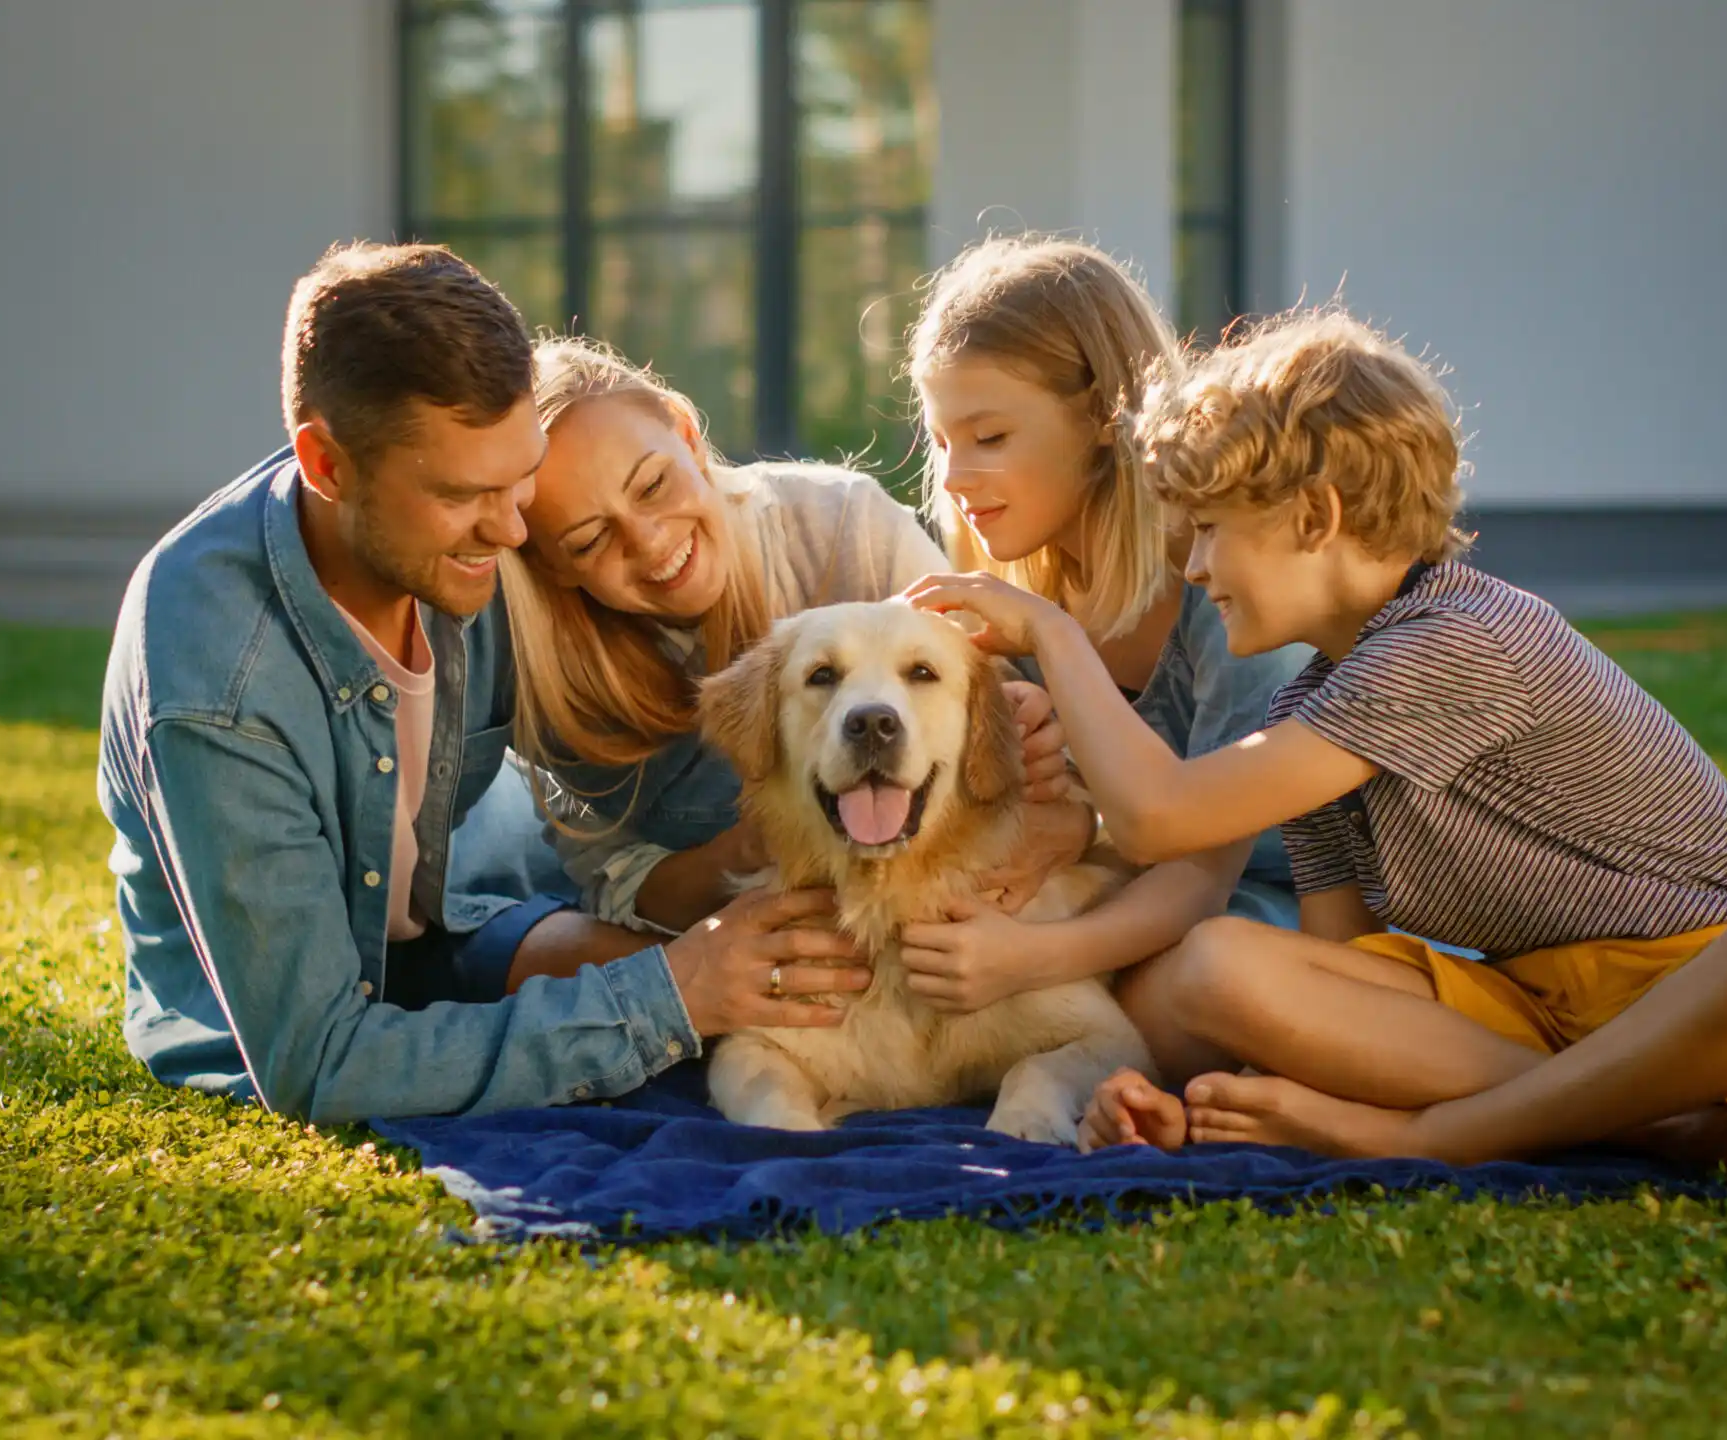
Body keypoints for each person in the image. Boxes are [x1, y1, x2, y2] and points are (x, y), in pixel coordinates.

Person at [906, 309, 1727, 1194]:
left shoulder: (1453, 640)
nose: (1197, 567)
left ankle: (1443, 1137)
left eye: (1210, 532)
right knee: (1203, 971)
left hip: (1719, 1005)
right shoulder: (1317, 699)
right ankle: (1661, 1128)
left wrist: (1052, 635)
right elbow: (1338, 962)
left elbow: (1159, 815)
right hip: (1537, 1013)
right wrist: (1214, 1104)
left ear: (1315, 517)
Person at [97, 243, 868, 1124]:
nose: (511, 531)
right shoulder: (215, 669)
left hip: (448, 933)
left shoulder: (476, 545)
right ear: (326, 464)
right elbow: (319, 1063)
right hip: (298, 1020)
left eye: (520, 478)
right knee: (693, 1001)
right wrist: (677, 993)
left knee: (787, 992)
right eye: (466, 493)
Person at [497, 337, 1085, 939]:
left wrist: (1053, 786)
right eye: (591, 539)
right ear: (552, 566)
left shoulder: (846, 526)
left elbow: (1035, 773)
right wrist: (755, 846)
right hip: (729, 941)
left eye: (653, 485)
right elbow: (612, 886)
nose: (648, 542)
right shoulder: (550, 671)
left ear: (687, 435)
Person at [893, 236, 1310, 1018]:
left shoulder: (1226, 583)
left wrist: (1026, 962)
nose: (952, 478)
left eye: (989, 438)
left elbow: (1200, 866)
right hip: (1143, 898)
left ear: (1104, 419)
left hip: (1285, 911)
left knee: (1166, 996)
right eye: (942, 441)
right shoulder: (1025, 595)